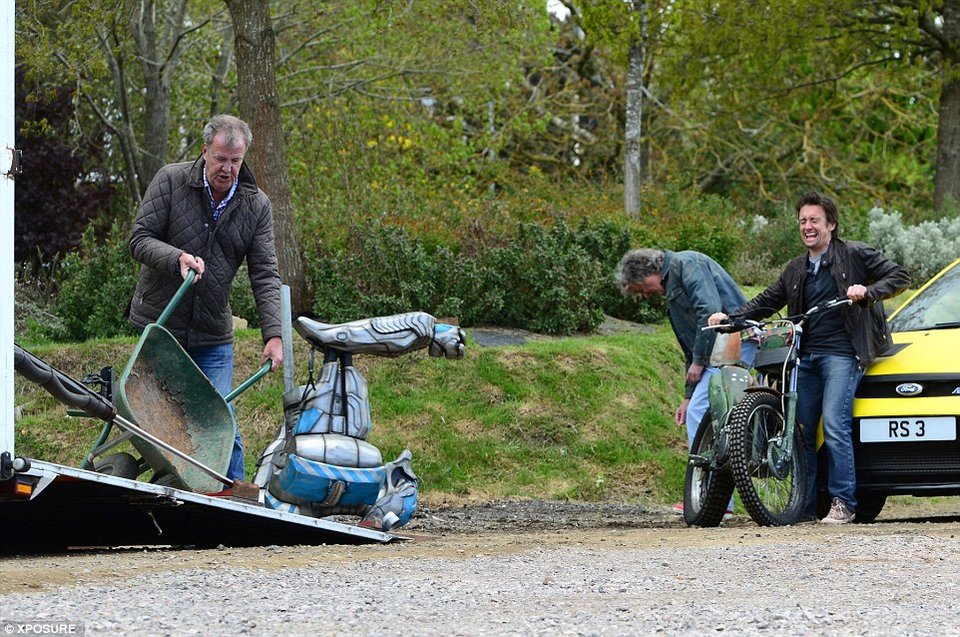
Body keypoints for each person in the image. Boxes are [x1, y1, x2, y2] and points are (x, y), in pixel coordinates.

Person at [709, 191, 910, 524]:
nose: (807, 227)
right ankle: (802, 508)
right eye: (803, 221)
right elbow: (767, 300)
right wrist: (731, 317)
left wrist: (866, 293)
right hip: (806, 357)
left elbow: (900, 277)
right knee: (800, 430)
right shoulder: (796, 268)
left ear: (831, 224)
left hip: (844, 354)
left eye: (814, 220)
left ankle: (843, 503)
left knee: (834, 425)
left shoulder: (855, 254)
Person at [129, 114, 284, 483]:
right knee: (161, 422)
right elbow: (139, 239)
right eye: (220, 159)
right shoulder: (170, 180)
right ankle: (173, 496)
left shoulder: (255, 205)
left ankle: (232, 507)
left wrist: (274, 335)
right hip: (161, 326)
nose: (227, 168)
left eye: (235, 161)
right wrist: (175, 258)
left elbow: (265, 273)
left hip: (212, 332)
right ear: (205, 151)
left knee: (220, 420)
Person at [616, 248, 758, 517]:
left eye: (641, 288)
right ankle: (716, 500)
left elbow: (710, 310)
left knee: (702, 414)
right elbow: (690, 347)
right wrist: (688, 394)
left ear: (650, 273)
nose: (644, 295)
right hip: (719, 346)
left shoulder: (686, 263)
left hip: (736, 338)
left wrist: (699, 361)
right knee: (697, 410)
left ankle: (711, 499)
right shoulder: (673, 285)